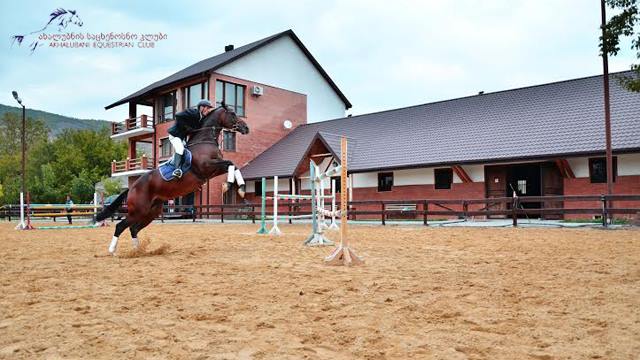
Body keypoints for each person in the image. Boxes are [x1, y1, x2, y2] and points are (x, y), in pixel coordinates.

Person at [167, 99, 215, 178]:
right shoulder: (193, 112)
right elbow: (178, 116)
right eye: (208, 108)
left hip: (182, 138)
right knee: (180, 149)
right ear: (201, 108)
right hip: (175, 135)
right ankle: (176, 170)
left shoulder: (201, 119)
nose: (209, 110)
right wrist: (187, 128)